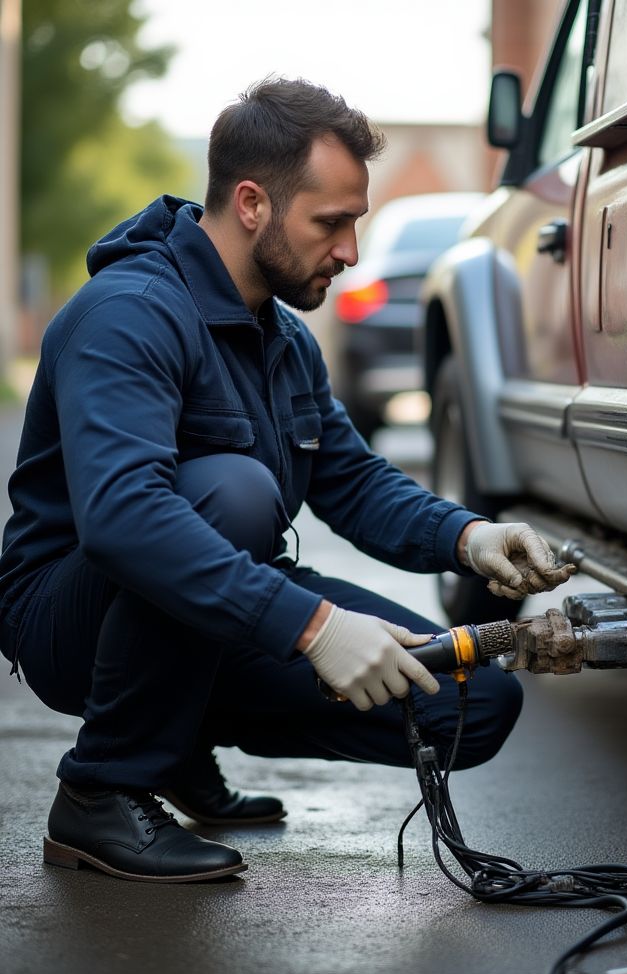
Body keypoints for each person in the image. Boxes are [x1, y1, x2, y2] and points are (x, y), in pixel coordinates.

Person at [0, 78, 574, 884]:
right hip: (70, 618)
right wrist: (313, 628)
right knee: (233, 493)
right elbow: (123, 519)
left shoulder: (283, 339)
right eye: (331, 223)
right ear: (251, 204)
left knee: (474, 705)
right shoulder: (130, 312)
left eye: (355, 222)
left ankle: (173, 741)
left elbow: (354, 481)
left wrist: (469, 537)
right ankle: (103, 790)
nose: (350, 252)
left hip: (209, 607)